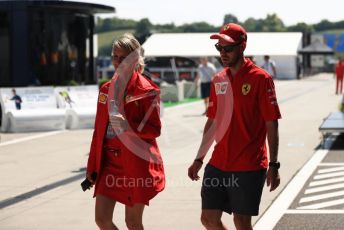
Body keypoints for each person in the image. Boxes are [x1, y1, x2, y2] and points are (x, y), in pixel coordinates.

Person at [188, 23, 281, 230]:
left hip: (249, 165)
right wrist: (198, 158)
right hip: (218, 163)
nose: (223, 53)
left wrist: (274, 165)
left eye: (228, 48)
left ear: (242, 46)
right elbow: (211, 122)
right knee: (208, 219)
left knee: (241, 222)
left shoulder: (261, 79)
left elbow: (271, 123)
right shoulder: (218, 79)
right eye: (219, 48)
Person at [85, 33, 165, 230]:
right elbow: (98, 132)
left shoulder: (147, 90)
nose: (118, 62)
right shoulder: (105, 89)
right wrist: (92, 167)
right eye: (115, 57)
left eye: (124, 58)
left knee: (133, 222)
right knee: (101, 219)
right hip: (108, 164)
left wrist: (128, 128)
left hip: (135, 164)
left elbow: (155, 129)